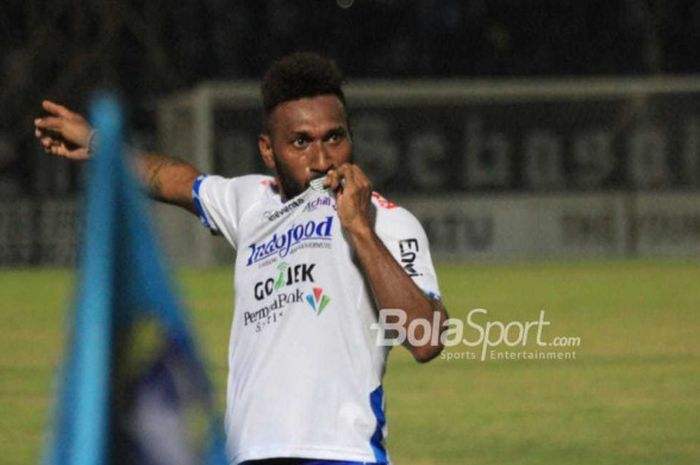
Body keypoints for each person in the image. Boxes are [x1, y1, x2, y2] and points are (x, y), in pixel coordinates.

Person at [34, 52, 448, 465]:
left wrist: (360, 229)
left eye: (334, 138)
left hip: (340, 454)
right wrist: (97, 144)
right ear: (268, 150)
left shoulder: (387, 222)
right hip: (248, 454)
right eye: (301, 142)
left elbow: (426, 338)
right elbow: (172, 179)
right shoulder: (251, 202)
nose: (322, 159)